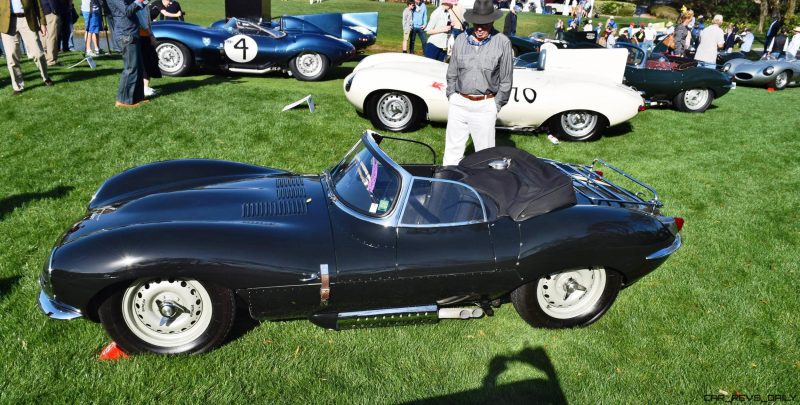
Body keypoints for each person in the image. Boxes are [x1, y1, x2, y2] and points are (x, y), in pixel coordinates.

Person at [443, 0, 513, 166]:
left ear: (492, 22)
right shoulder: (460, 40)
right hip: (459, 102)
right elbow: (452, 72)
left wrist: (495, 105)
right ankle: (448, 185)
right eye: (477, 24)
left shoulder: (502, 42)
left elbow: (506, 79)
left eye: (484, 24)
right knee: (452, 152)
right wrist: (452, 95)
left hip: (485, 105)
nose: (480, 28)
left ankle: (483, 189)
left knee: (486, 155)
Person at [1, 0, 54, 95]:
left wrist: (42, 23)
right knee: (11, 56)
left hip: (27, 20)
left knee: (38, 53)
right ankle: (17, 87)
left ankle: (46, 77)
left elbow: (38, 4)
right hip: (7, 23)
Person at [107, 0, 147, 107]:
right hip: (126, 34)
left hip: (132, 32)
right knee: (131, 68)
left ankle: (137, 98)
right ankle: (122, 100)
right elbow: (127, 11)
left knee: (137, 67)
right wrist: (139, 1)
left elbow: (135, 6)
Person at [136, 1, 159, 96]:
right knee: (145, 62)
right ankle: (144, 88)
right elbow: (142, 21)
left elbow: (147, 21)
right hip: (141, 36)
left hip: (145, 35)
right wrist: (151, 35)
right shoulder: (139, 4)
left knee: (149, 61)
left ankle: (146, 86)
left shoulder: (145, 4)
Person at [38, 0, 61, 65]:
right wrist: (55, 10)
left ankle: (44, 59)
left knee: (43, 36)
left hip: (40, 12)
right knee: (52, 37)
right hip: (50, 11)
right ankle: (51, 60)